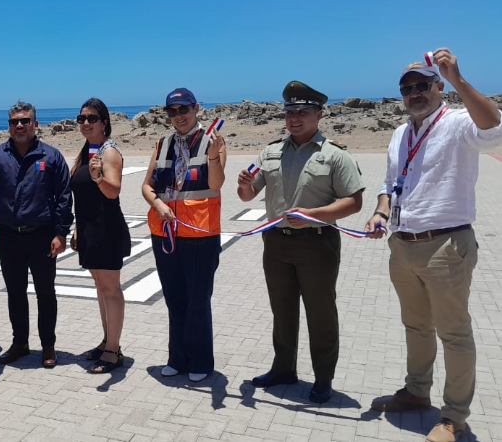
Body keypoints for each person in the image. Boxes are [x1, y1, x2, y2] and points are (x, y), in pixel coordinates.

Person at [365, 49, 502, 442]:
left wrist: (460, 79)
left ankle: (454, 417)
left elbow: (495, 129)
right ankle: (416, 391)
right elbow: (390, 184)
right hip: (402, 244)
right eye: (407, 89)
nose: (415, 93)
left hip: (446, 246)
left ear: (439, 87)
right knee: (416, 326)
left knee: (454, 334)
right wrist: (380, 212)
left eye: (423, 85)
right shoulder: (400, 133)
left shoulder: (458, 122)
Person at [236, 81, 364, 403]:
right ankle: (283, 369)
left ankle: (323, 378)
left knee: (320, 314)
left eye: (302, 113)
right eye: (289, 112)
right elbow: (248, 195)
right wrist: (244, 185)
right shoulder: (271, 152)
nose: (294, 119)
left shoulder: (334, 155)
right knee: (282, 311)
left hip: (317, 245)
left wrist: (314, 215)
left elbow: (354, 202)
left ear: (319, 115)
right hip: (276, 244)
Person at [0, 101, 73, 368]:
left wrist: (61, 233)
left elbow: (64, 197)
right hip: (10, 236)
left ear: (35, 124)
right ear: (9, 126)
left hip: (42, 236)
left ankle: (48, 346)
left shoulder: (51, 156)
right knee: (15, 293)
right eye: (14, 122)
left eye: (25, 121)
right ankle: (20, 344)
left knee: (45, 292)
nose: (20, 126)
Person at [142, 88, 226, 383]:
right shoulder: (162, 143)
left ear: (196, 108)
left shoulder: (212, 141)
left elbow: (216, 184)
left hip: (200, 234)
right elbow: (147, 186)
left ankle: (200, 361)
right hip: (166, 233)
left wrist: (213, 157)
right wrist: (158, 204)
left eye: (184, 110)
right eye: (172, 112)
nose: (178, 116)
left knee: (197, 300)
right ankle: (177, 358)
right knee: (174, 298)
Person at [70, 98, 131, 373]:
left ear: (104, 123)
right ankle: (107, 340)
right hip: (89, 230)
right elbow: (83, 197)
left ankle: (113, 350)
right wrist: (76, 228)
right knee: (100, 288)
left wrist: (98, 178)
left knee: (111, 289)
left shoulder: (109, 152)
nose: (85, 123)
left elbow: (113, 190)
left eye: (92, 118)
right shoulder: (87, 151)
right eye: (81, 118)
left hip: (106, 230)